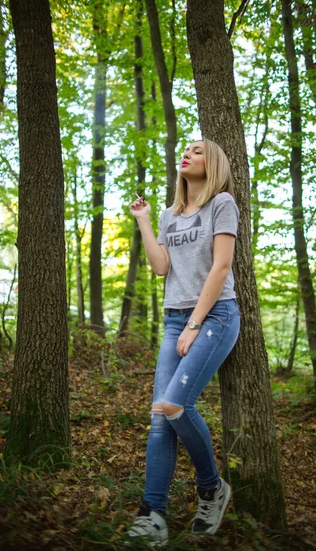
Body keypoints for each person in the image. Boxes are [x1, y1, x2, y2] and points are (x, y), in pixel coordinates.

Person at [126, 138, 241, 547]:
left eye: (197, 149)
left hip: (215, 315)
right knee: (160, 415)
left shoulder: (222, 203)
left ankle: (211, 488)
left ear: (213, 163)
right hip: (175, 318)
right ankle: (152, 514)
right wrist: (143, 220)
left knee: (175, 405)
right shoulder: (171, 213)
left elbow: (222, 265)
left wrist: (195, 323)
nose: (187, 154)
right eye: (185, 149)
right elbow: (161, 268)